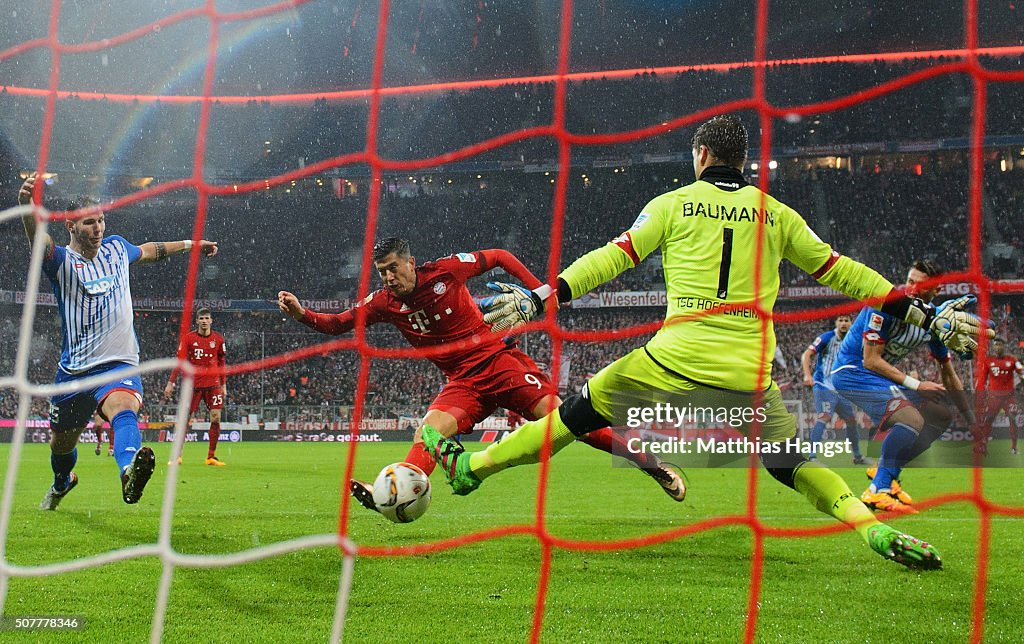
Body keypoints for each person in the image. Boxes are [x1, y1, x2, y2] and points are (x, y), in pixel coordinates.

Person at [423, 115, 988, 570]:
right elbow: (846, 273)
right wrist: (921, 312)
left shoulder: (671, 205)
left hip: (672, 358)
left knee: (571, 417)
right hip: (748, 374)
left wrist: (542, 297)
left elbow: (611, 259)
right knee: (792, 464)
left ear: (699, 156)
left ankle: (476, 468)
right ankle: (869, 526)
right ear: (742, 161)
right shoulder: (778, 214)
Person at [278, 238, 686, 516]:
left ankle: (649, 463)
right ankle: (396, 490)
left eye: (392, 269)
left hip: (498, 361)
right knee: (429, 432)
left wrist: (540, 294)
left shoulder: (446, 272)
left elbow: (500, 255)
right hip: (463, 383)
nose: (387, 278)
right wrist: (302, 314)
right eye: (381, 271)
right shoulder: (382, 303)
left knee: (566, 421)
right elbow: (338, 324)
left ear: (409, 262)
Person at [17, 172, 218, 510]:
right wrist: (27, 205)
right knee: (61, 445)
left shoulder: (116, 248)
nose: (98, 228)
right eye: (90, 223)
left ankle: (128, 472)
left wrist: (191, 245)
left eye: (101, 221)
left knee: (124, 408)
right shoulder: (62, 263)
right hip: (75, 370)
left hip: (118, 361)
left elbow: (152, 250)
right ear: (71, 226)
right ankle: (62, 482)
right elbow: (39, 240)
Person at [831, 260, 976, 514]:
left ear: (935, 291)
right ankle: (878, 490)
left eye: (919, 285)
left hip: (880, 377)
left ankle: (886, 472)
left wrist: (972, 420)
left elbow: (949, 375)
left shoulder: (934, 323)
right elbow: (871, 360)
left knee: (940, 416)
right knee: (911, 420)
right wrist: (917, 384)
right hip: (852, 372)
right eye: (909, 281)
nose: (910, 288)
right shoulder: (886, 303)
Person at [800, 314, 869, 464]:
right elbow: (807, 354)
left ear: (851, 323)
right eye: (841, 320)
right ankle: (812, 457)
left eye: (847, 320)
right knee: (824, 416)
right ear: (836, 323)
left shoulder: (855, 340)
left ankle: (857, 456)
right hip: (823, 385)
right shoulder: (827, 337)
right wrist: (807, 375)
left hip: (841, 389)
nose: (843, 323)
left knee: (851, 420)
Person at [163, 307, 228, 466]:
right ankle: (177, 456)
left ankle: (211, 457)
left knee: (216, 417)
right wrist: (171, 382)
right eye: (202, 319)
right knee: (185, 420)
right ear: (197, 321)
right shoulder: (188, 339)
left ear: (211, 320)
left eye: (207, 318)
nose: (204, 321)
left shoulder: (218, 339)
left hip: (213, 385)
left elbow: (222, 363)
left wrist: (224, 384)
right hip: (193, 385)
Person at [976, 336, 1023, 455]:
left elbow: (1021, 371)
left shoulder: (1012, 360)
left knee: (1013, 420)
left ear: (1004, 346)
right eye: (996, 344)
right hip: (994, 397)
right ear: (993, 347)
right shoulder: (988, 361)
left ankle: (1014, 447)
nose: (998, 347)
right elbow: (982, 380)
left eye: (1000, 345)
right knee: (988, 421)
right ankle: (983, 445)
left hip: (1009, 397)